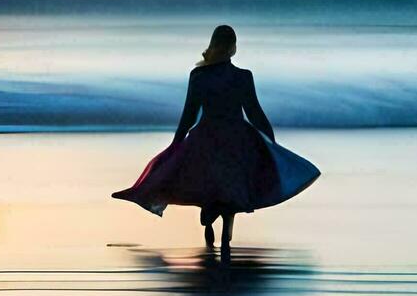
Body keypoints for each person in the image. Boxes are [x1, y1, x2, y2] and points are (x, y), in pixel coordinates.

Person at [112, 25, 319, 253]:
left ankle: (210, 217)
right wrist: (270, 142)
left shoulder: (199, 76)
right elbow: (254, 112)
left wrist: (177, 143)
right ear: (233, 49)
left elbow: (189, 114)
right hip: (237, 138)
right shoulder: (242, 76)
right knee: (232, 186)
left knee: (210, 184)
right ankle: (225, 227)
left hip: (207, 137)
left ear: (212, 45)